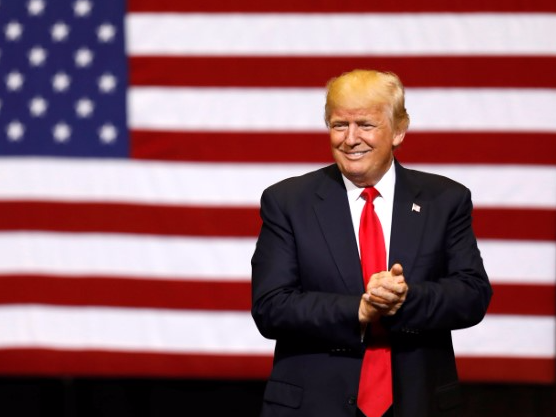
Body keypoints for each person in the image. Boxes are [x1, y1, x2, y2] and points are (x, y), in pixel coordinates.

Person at [251, 69, 492, 417]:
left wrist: (404, 299)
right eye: (338, 125)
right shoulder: (288, 201)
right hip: (315, 406)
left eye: (365, 124)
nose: (350, 139)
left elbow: (472, 294)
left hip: (417, 403)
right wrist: (360, 311)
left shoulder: (445, 200)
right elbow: (271, 307)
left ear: (398, 130)